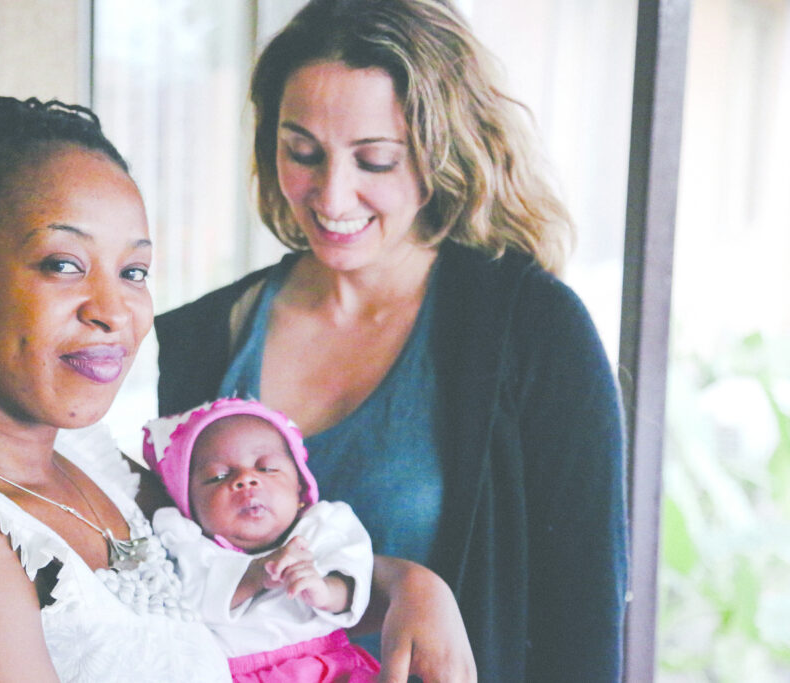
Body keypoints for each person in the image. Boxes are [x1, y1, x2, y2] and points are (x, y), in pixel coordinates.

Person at [0, 96, 474, 682]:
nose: (113, 310)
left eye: (134, 271)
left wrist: (410, 584)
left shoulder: (99, 468)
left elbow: (260, 567)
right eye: (63, 264)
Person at [154, 0, 629, 680]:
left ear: (443, 150)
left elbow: (581, 633)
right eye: (303, 152)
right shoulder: (209, 336)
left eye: (374, 159)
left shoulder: (534, 331)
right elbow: (176, 589)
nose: (332, 196)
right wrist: (401, 581)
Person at [143, 397, 380, 681]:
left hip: (332, 669)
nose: (246, 480)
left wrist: (324, 589)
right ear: (189, 505)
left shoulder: (322, 526)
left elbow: (354, 582)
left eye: (266, 468)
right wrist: (256, 573)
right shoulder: (187, 543)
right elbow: (193, 602)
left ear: (301, 488)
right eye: (218, 476)